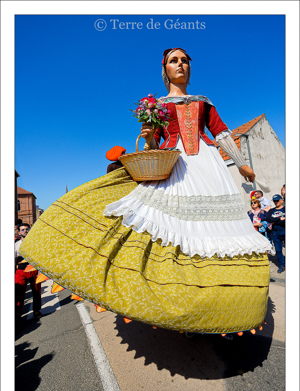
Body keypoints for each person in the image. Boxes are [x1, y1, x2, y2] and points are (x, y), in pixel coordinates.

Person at [19, 48, 271, 339]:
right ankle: (176, 302)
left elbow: (222, 133)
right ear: (165, 69)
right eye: (174, 61)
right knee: (174, 232)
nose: (181, 65)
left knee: (219, 233)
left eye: (185, 60)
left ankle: (223, 304)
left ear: (190, 67)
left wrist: (242, 165)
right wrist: (150, 136)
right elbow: (153, 148)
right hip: (175, 165)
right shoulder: (160, 105)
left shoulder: (204, 102)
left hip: (209, 166)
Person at [15, 223, 42, 325]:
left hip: (33, 270)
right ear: (18, 232)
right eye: (22, 230)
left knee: (36, 291)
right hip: (21, 272)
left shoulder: (35, 242)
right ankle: (17, 317)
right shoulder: (16, 245)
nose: (25, 231)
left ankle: (36, 310)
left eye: (27, 229)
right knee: (19, 295)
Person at [264, 194, 285, 273]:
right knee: (278, 251)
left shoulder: (285, 208)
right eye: (274, 201)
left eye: (277, 200)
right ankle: (282, 265)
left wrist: (274, 220)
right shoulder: (271, 210)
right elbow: (268, 219)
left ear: (281, 200)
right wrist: (280, 218)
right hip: (276, 233)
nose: (276, 202)